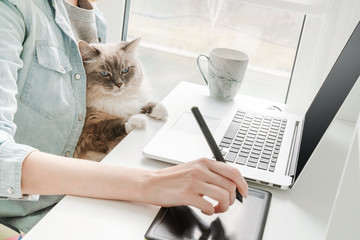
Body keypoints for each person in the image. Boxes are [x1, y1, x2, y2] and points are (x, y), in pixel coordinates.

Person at [0, 0, 248, 233]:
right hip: (23, 217)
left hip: (80, 196)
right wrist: (150, 183)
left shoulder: (94, 18)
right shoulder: (12, 9)